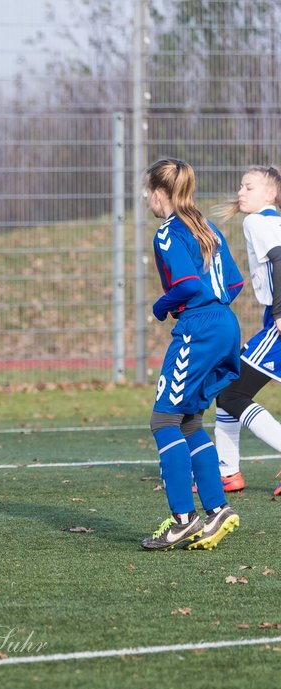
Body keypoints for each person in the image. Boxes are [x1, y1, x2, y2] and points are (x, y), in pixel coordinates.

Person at [141, 158, 244, 551]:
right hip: (226, 324)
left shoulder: (168, 232)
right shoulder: (207, 226)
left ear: (159, 193)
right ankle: (217, 509)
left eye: (147, 192)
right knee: (188, 422)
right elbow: (233, 282)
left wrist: (161, 306)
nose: (146, 199)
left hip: (199, 328)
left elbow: (184, 285)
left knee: (163, 419)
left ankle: (184, 519)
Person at [209, 166, 281, 498]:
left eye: (249, 187)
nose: (241, 192)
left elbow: (280, 259)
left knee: (231, 392)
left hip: (277, 318)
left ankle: (228, 473)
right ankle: (228, 473)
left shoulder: (257, 221)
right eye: (240, 186)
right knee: (228, 393)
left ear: (271, 194)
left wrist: (279, 312)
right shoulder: (271, 220)